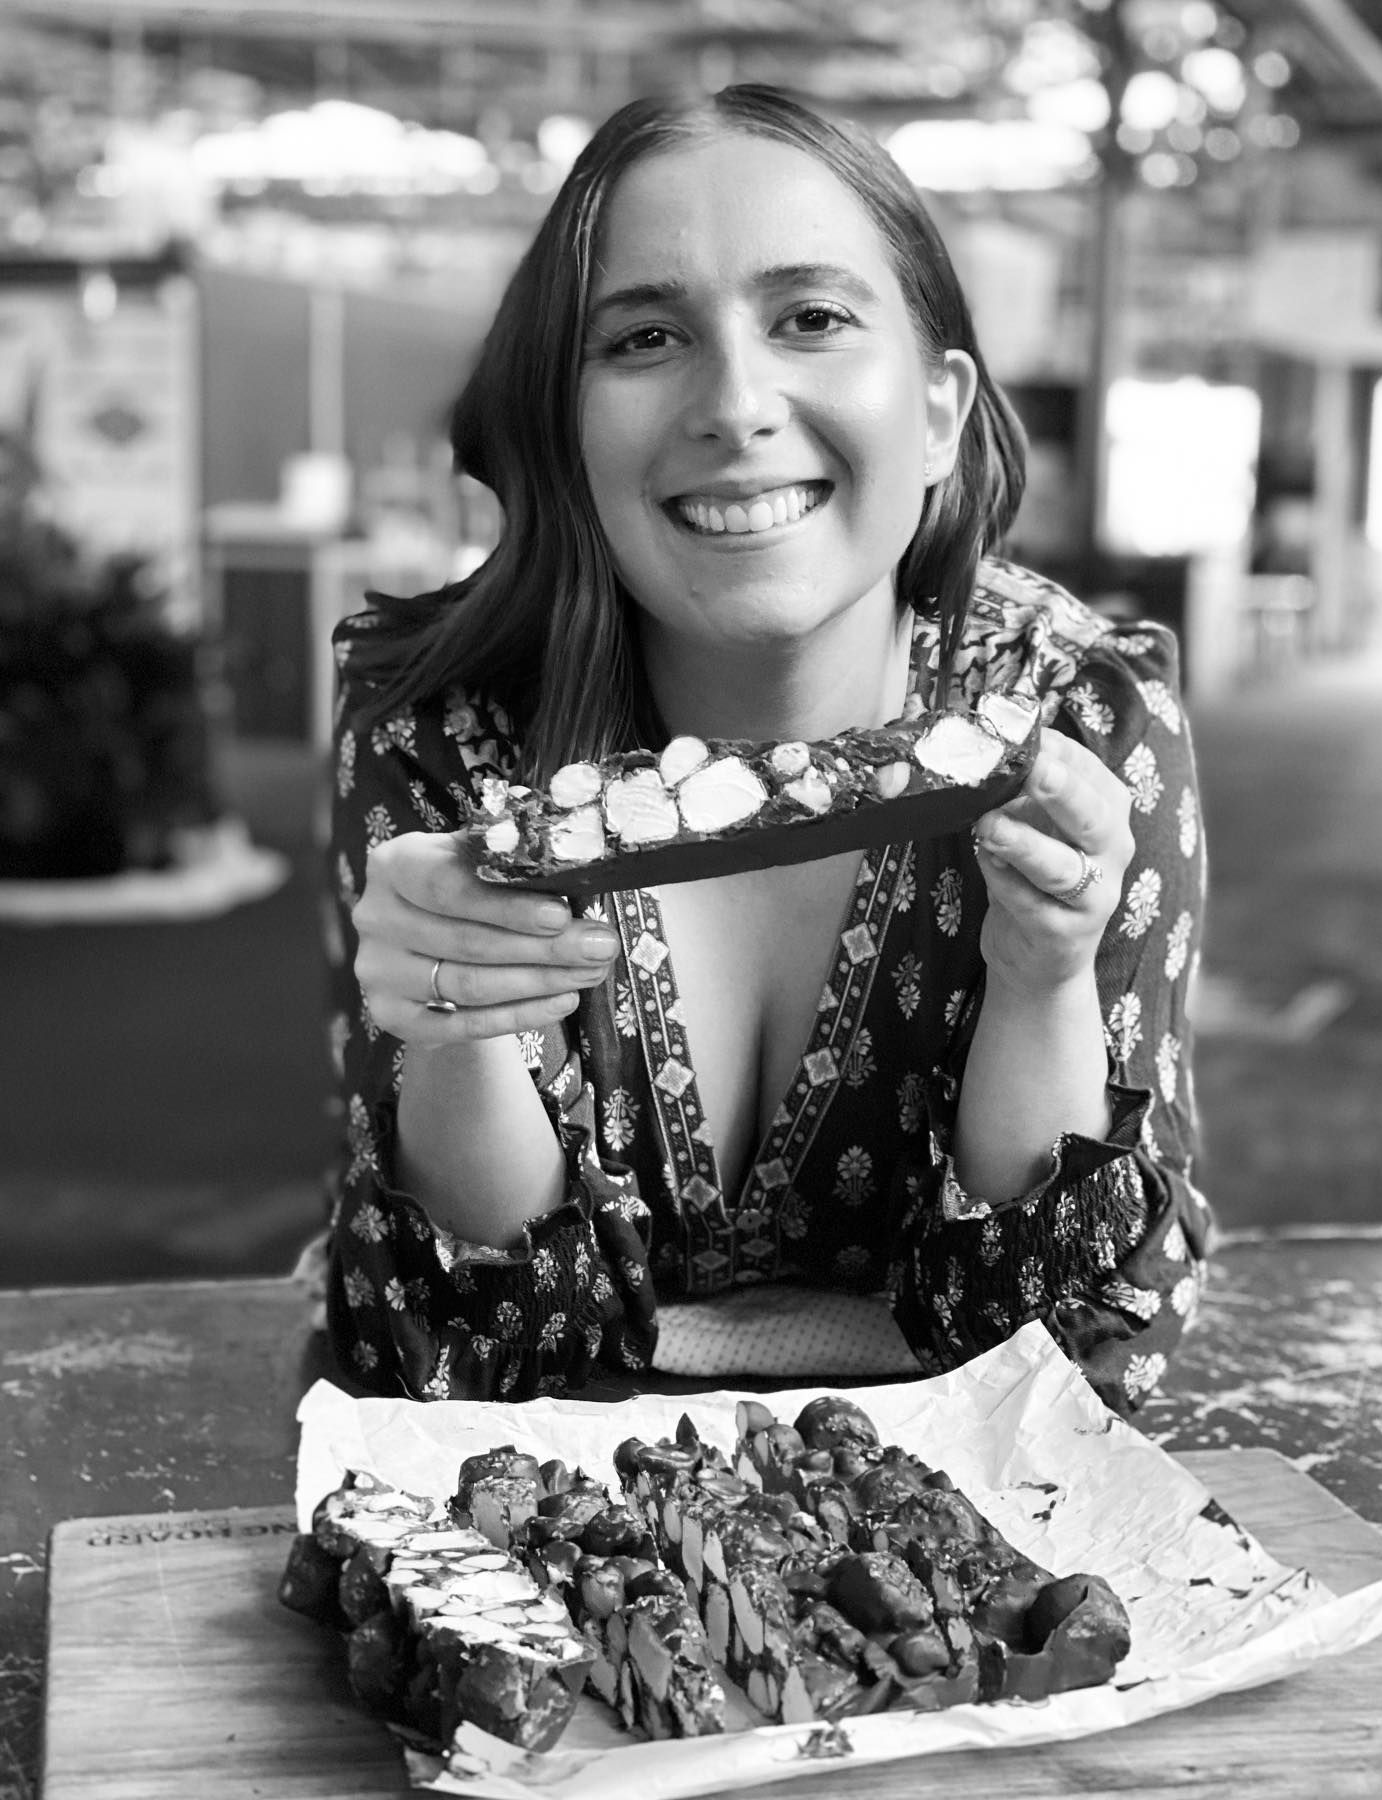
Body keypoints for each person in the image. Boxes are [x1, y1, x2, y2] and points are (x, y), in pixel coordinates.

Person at [322, 83, 1210, 1414]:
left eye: (813, 319)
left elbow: (1080, 1353)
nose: (736, 404)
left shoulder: (1082, 718)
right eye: (646, 338)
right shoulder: (436, 733)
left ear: (937, 412)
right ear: (566, 425)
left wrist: (1044, 981)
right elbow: (455, 1355)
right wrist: (460, 1029)